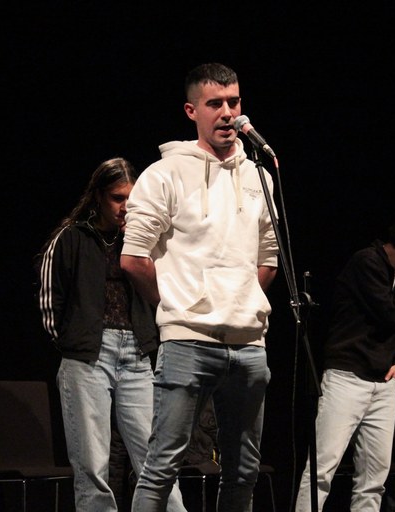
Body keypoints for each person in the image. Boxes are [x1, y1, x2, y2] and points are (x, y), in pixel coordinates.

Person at [120, 62, 279, 512]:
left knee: (243, 471)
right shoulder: (164, 174)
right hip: (188, 340)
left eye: (234, 102)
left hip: (249, 344)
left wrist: (242, 297)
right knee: (162, 467)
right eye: (215, 104)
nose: (227, 113)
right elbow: (133, 257)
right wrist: (176, 302)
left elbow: (269, 258)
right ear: (192, 111)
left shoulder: (260, 177)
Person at [37, 157, 186, 512]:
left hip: (136, 355)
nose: (125, 207)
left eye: (132, 199)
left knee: (156, 459)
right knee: (92, 465)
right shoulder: (71, 237)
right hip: (88, 356)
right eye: (118, 198)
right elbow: (50, 299)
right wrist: (74, 343)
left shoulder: (140, 242)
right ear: (99, 196)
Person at [295, 207, 395, 511]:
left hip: (383, 384)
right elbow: (391, 314)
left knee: (374, 479)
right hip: (347, 377)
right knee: (322, 469)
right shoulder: (367, 262)